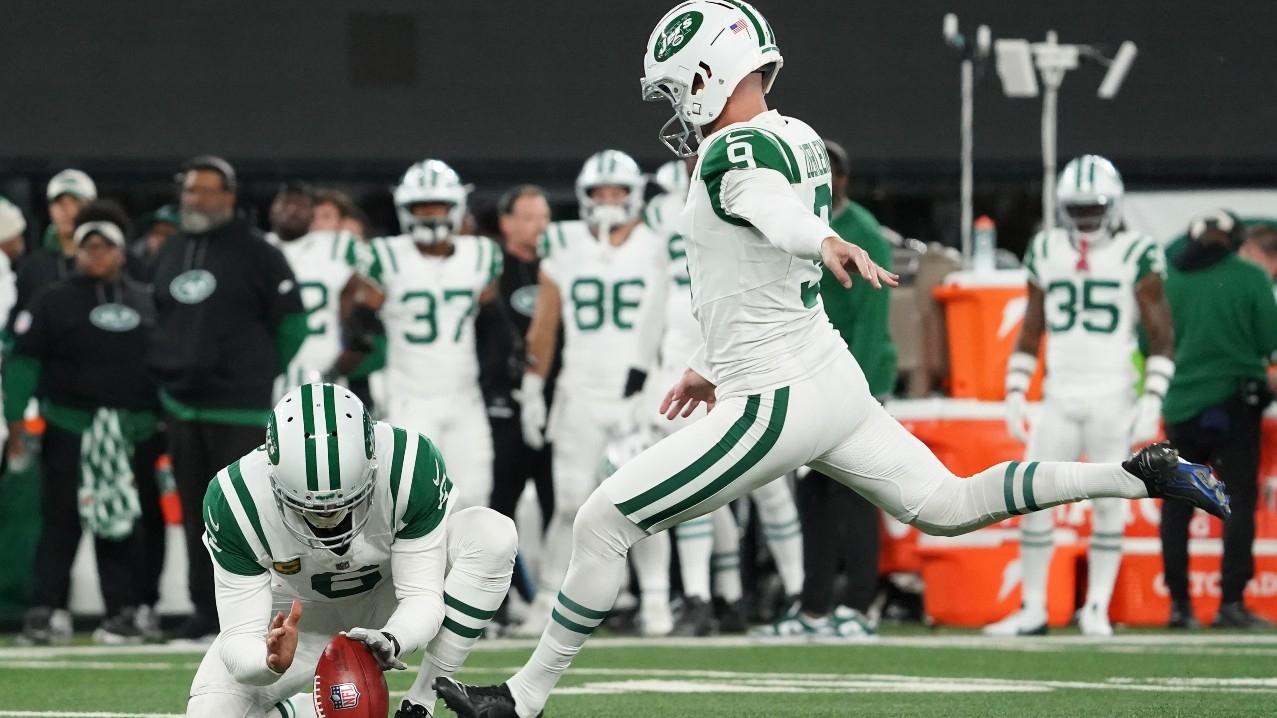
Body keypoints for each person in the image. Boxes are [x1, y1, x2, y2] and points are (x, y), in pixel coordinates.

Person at [435, 3, 1229, 715]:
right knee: (948, 506)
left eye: (678, 87)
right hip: (823, 373)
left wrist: (817, 239)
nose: (676, 106)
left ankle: (522, 698)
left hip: (774, 394)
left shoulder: (728, 155)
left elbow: (769, 214)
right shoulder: (797, 134)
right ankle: (1133, 475)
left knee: (604, 520)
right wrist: (713, 358)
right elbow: (756, 266)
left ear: (706, 76)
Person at [186, 383, 517, 718]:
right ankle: (311, 712)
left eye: (345, 503)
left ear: (372, 462)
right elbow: (238, 638)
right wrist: (268, 659)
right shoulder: (235, 501)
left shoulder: (406, 463)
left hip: (388, 594)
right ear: (273, 476)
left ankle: (419, 704)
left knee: (491, 535)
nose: (328, 520)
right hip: (298, 620)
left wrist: (394, 637)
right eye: (309, 508)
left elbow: (422, 596)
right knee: (209, 712)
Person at [985, 155, 1174, 638]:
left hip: (1113, 393)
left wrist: (1152, 395)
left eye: (1094, 208)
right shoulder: (1046, 248)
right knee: (1031, 496)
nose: (1086, 218)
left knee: (1111, 501)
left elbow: (1161, 334)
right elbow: (1032, 327)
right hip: (1059, 394)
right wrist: (1014, 387)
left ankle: (1095, 607)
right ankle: (1033, 608)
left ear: (1113, 205)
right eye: (1078, 208)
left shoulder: (1137, 252)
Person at [631, 159, 804, 636]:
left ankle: (796, 593)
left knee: (769, 486)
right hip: (685, 359)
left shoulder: (751, 193)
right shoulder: (664, 211)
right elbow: (656, 294)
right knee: (693, 481)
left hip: (745, 351)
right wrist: (638, 371)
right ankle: (701, 597)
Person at [509, 149, 674, 639]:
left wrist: (657, 384)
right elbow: (547, 319)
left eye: (616, 193)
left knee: (647, 502)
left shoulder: (658, 243)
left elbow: (672, 322)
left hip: (637, 392)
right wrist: (534, 386)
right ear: (583, 198)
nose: (607, 201)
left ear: (634, 196)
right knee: (569, 503)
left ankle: (657, 602)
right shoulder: (563, 242)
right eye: (598, 193)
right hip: (579, 390)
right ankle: (547, 601)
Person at [148, 155, 309, 642]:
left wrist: (255, 373)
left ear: (229, 196)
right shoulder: (172, 249)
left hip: (239, 409)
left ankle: (259, 614)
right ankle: (205, 608)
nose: (194, 199)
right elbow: (159, 317)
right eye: (189, 190)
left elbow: (293, 324)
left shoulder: (259, 252)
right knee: (202, 517)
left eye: (204, 190)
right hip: (182, 408)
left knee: (248, 519)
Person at [5, 202, 164, 645]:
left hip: (134, 432)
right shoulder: (52, 300)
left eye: (105, 246)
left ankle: (124, 611)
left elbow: (166, 364)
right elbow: (23, 364)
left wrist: (160, 421)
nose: (96, 253)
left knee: (127, 522)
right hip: (68, 425)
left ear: (121, 252)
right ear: (76, 250)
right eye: (88, 245)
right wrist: (16, 420)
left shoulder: (145, 300)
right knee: (60, 522)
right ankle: (44, 611)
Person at [757, 139, 896, 640]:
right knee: (813, 496)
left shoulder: (862, 234)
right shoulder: (798, 228)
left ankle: (859, 604)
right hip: (809, 376)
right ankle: (815, 606)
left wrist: (853, 391)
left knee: (855, 494)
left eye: (834, 175)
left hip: (852, 379)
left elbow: (871, 324)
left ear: (845, 180)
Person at [1159, 211, 1277, 629]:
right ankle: (1231, 602)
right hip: (1233, 404)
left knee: (1175, 507)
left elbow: (1152, 341)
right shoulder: (1250, 277)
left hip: (1180, 406)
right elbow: (1269, 341)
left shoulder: (1171, 283)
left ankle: (1178, 605)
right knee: (1238, 502)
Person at [364, 160, 501, 512]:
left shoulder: (481, 255)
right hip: (409, 396)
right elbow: (360, 322)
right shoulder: (385, 257)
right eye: (420, 207)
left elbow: (494, 324)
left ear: (456, 207)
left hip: (464, 397)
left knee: (475, 500)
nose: (429, 215)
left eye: (438, 206)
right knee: (412, 503)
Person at [480, 185, 554, 528]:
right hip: (503, 398)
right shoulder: (489, 270)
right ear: (506, 223)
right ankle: (496, 581)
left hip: (553, 395)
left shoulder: (558, 266)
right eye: (528, 218)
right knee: (500, 501)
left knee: (559, 499)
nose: (540, 226)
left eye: (544, 217)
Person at [265, 182, 379, 397]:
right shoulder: (257, 249)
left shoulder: (340, 246)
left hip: (326, 373)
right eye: (286, 204)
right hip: (268, 375)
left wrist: (358, 319)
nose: (292, 211)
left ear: (311, 213)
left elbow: (380, 282)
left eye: (301, 205)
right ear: (272, 209)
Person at [8, 170, 96, 332]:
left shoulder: (112, 264)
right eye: (60, 203)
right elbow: (17, 321)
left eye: (76, 202)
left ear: (92, 207)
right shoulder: (33, 267)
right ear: (50, 209)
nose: (67, 211)